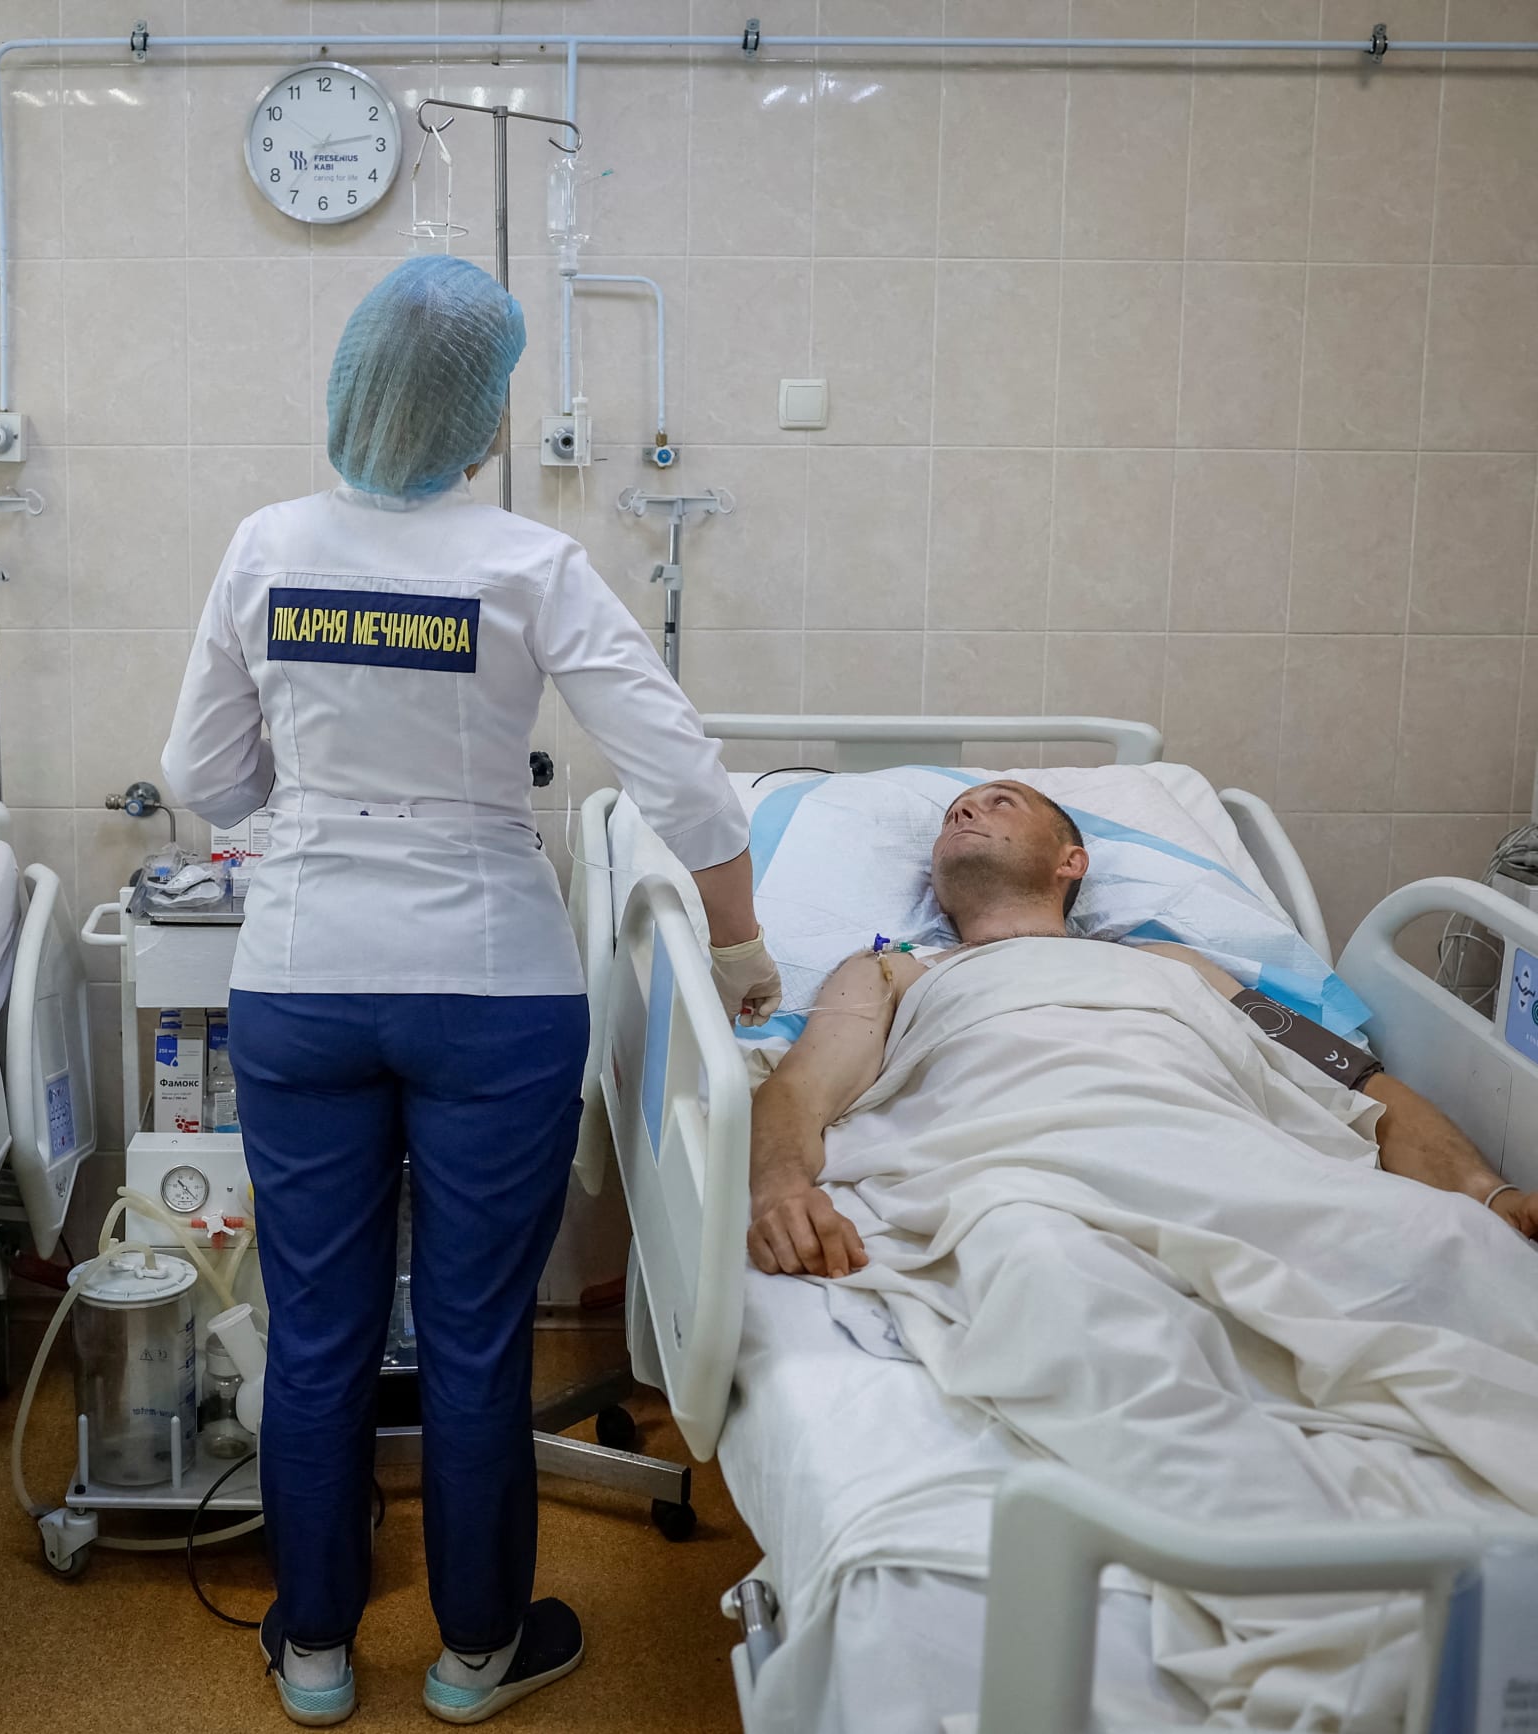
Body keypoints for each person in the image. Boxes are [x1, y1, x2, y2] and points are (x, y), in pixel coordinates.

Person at [161, 253, 778, 1727]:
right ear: (478, 414)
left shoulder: (265, 545)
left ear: (351, 388)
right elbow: (678, 764)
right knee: (479, 1334)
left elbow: (200, 775)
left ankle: (314, 1651)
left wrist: (298, 801)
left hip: (306, 975)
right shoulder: (526, 562)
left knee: (317, 1329)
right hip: (493, 982)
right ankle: (477, 1654)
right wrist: (741, 943)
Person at [746, 778, 1538, 1280]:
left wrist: (1484, 1191)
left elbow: (1354, 1081)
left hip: (1237, 1169)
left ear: (1072, 861)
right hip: (1027, 1185)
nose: (964, 808)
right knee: (1057, 1278)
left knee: (1448, 1249)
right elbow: (801, 1089)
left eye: (1000, 801)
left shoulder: (1177, 963)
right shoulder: (893, 968)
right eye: (958, 810)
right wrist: (778, 1189)